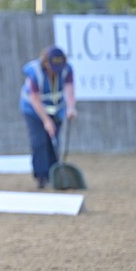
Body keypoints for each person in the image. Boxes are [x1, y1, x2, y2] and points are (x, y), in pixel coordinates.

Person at [19, 45, 78, 189]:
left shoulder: (66, 69)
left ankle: (54, 175)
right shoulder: (35, 73)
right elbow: (34, 99)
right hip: (33, 110)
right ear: (46, 63)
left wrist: (71, 108)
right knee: (39, 141)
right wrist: (46, 121)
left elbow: (69, 89)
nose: (55, 71)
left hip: (56, 109)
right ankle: (41, 176)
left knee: (54, 141)